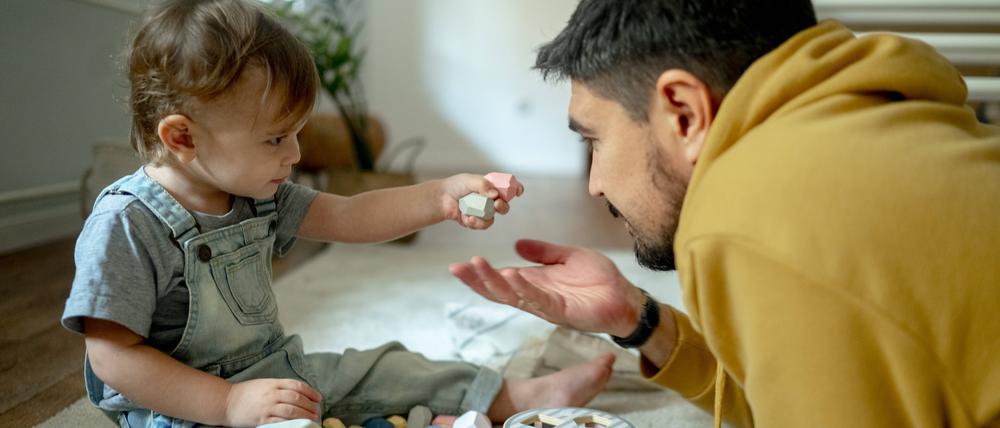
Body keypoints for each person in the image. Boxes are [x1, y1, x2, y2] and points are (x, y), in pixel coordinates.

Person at [60, 1, 616, 427]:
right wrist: (228, 403)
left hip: (273, 371)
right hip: (178, 407)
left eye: (297, 133)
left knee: (385, 366)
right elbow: (113, 358)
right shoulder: (127, 225)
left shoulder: (259, 194)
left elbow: (353, 216)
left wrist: (442, 195)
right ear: (182, 136)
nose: (296, 154)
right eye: (276, 138)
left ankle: (513, 397)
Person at [450, 0, 1000, 427]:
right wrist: (638, 319)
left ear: (685, 113)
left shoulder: (755, 211)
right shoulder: (884, 120)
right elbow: (790, 397)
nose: (594, 185)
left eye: (595, 141)